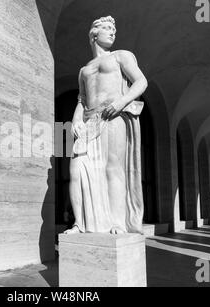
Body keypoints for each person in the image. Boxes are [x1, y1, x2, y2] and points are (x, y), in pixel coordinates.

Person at [64, 16, 148, 235]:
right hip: (89, 122)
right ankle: (80, 223)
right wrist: (75, 119)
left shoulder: (121, 56)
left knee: (112, 168)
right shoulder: (84, 70)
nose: (113, 32)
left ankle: (117, 222)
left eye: (114, 29)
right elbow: (82, 100)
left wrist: (121, 102)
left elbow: (141, 81)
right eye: (107, 28)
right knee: (77, 170)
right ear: (94, 34)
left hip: (113, 116)